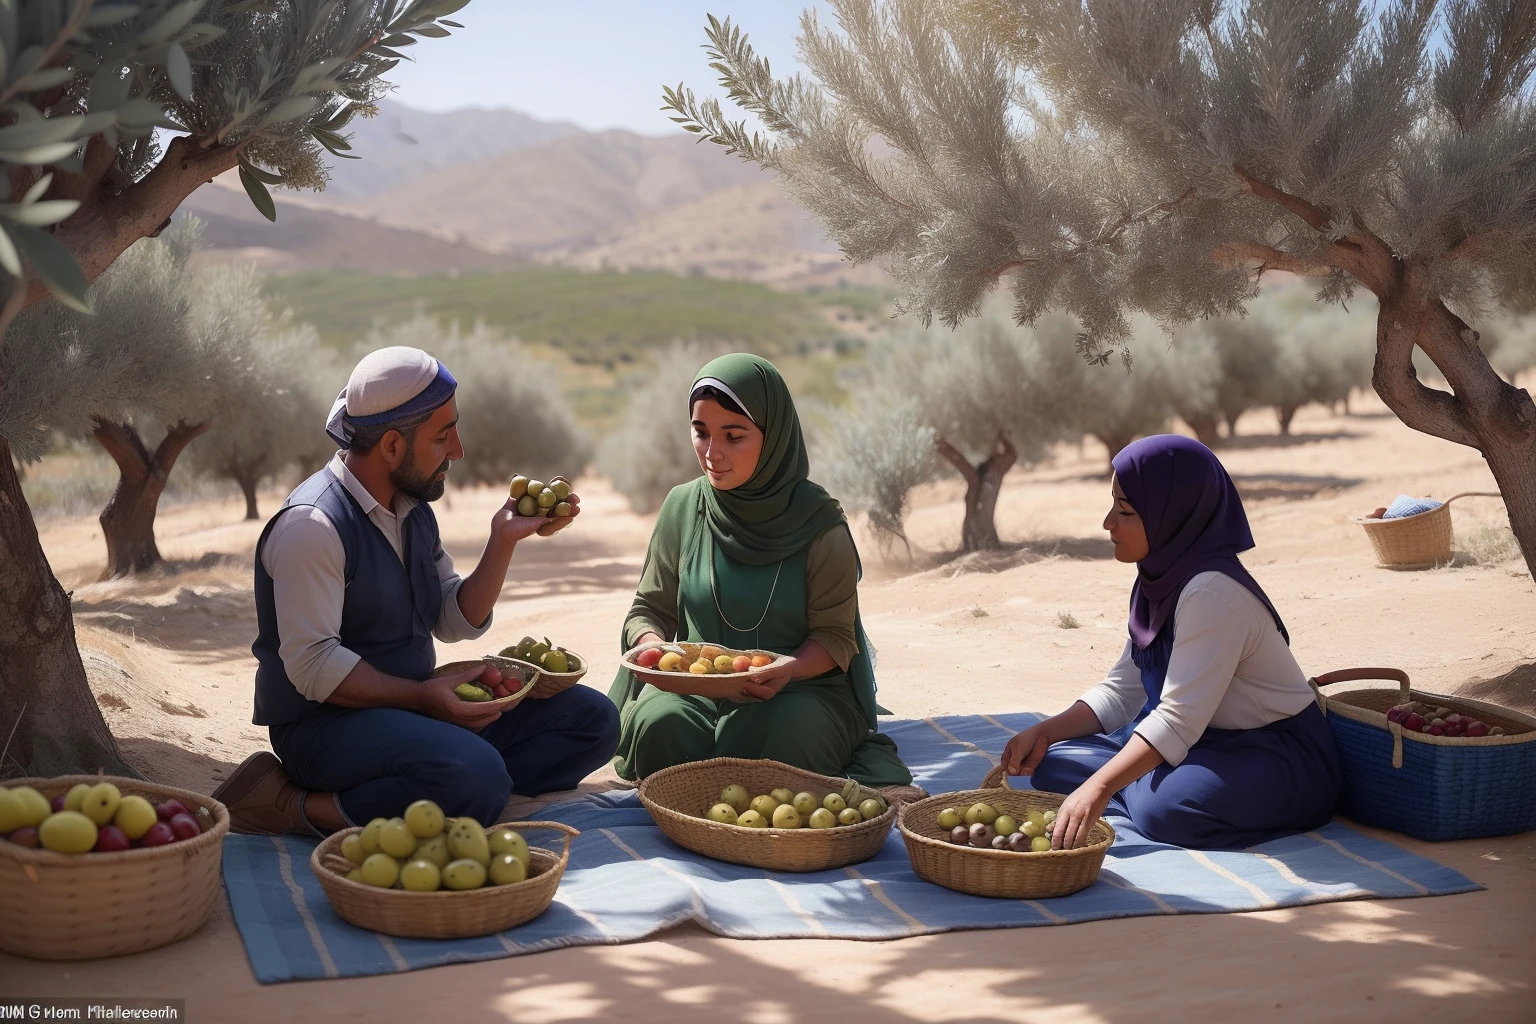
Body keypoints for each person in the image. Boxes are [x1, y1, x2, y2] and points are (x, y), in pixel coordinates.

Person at [214, 346, 620, 836]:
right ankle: (290, 805)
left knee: (594, 722)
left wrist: (503, 539)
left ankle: (447, 783)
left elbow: (452, 618)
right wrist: (425, 698)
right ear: (390, 446)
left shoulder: (412, 509)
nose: (459, 450)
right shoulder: (313, 526)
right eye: (443, 436)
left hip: (416, 709)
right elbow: (314, 668)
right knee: (477, 776)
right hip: (325, 727)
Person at [1002, 434, 1341, 850]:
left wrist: (1101, 786)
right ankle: (1141, 782)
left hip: (1277, 756)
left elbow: (1178, 718)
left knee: (1165, 809)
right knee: (1051, 762)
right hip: (1204, 744)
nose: (1108, 523)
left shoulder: (1211, 593)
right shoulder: (1160, 579)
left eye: (1124, 511)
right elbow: (1124, 690)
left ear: (1171, 514)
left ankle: (1140, 789)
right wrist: (1045, 731)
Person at [609, 353, 914, 791]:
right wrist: (657, 654)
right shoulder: (682, 507)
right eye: (701, 433)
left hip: (797, 690)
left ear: (773, 437)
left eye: (734, 436)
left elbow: (835, 638)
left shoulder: (819, 524)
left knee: (786, 737)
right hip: (694, 688)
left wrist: (786, 670)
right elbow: (648, 609)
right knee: (661, 726)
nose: (712, 453)